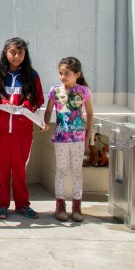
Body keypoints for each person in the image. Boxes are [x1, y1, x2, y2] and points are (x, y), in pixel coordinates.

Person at [0, 38, 44, 220]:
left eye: (20, 53)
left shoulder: (32, 75)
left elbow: (39, 99)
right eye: (12, 52)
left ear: (25, 55)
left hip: (22, 130)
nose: (16, 56)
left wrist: (26, 106)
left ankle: (22, 204)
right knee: (1, 168)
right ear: (5, 53)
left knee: (20, 169)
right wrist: (3, 103)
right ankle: (2, 205)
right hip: (0, 130)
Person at [43, 57, 93, 222]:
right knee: (61, 170)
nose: (63, 77)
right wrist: (45, 123)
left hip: (78, 138)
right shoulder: (55, 90)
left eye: (67, 73)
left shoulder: (83, 91)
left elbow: (90, 114)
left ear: (77, 74)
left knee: (77, 171)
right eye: (61, 73)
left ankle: (77, 207)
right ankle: (60, 206)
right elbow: (48, 110)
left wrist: (88, 136)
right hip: (61, 138)